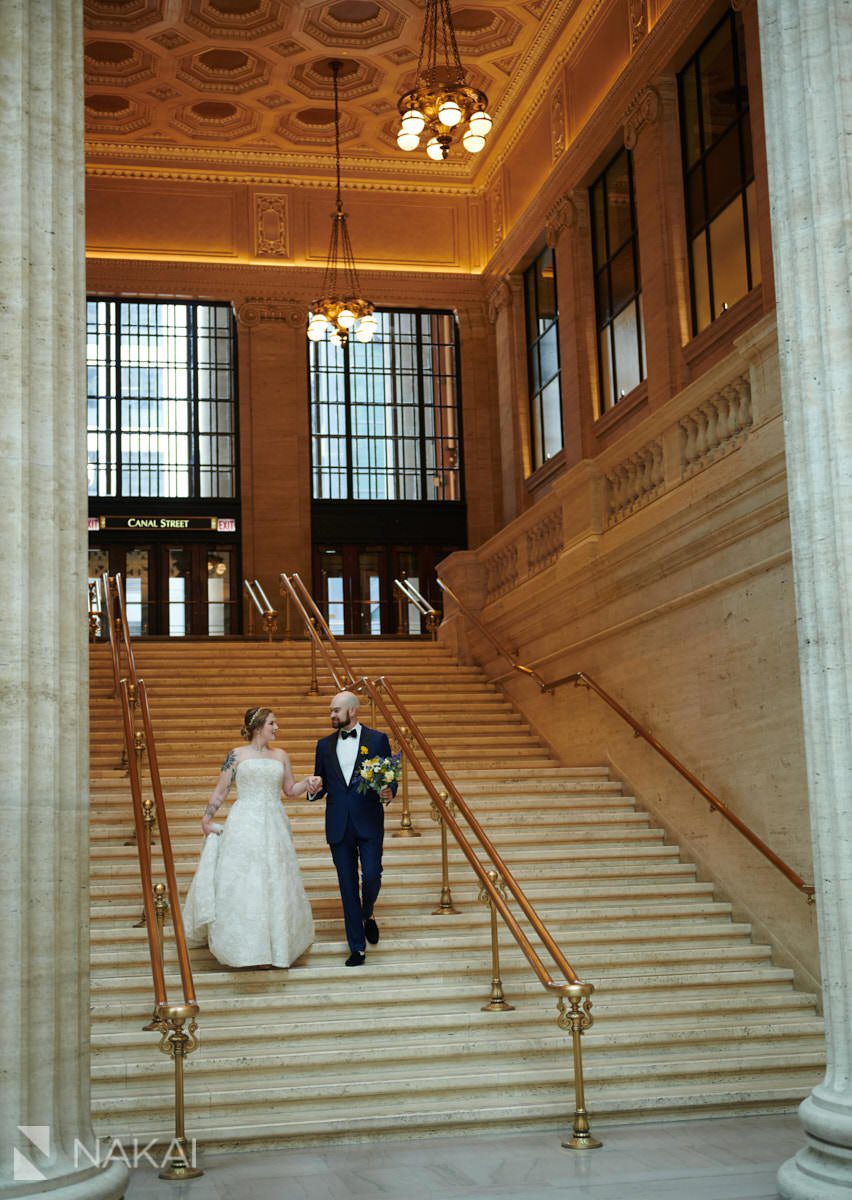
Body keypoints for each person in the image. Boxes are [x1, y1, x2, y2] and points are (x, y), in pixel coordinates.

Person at [182, 706, 322, 969]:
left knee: (275, 880)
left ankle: (276, 948)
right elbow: (221, 791)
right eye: (272, 723)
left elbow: (290, 790)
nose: (276, 728)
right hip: (245, 822)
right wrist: (207, 817)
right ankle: (248, 949)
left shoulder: (281, 755)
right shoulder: (236, 755)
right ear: (258, 726)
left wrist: (309, 782)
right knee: (248, 882)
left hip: (274, 823)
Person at [309, 690, 395, 967]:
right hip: (338, 823)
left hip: (369, 819)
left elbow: (388, 776)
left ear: (352, 711)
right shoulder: (323, 745)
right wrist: (312, 790)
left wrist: (389, 791)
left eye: (336, 710)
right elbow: (320, 784)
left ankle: (367, 912)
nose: (332, 715)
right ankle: (356, 947)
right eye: (330, 711)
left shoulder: (378, 739)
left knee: (372, 875)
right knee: (347, 886)